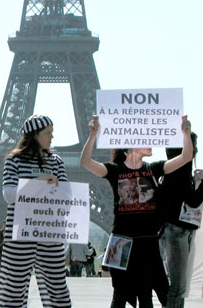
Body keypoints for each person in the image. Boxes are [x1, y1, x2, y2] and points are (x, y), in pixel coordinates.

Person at [80, 115, 193, 308]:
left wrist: (186, 134)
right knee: (119, 296)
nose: (150, 143)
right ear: (130, 147)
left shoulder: (153, 168)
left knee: (147, 297)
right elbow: (85, 162)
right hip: (119, 241)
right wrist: (93, 135)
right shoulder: (114, 170)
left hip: (147, 241)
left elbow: (186, 157)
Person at [0, 115, 71, 307]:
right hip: (21, 234)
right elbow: (8, 195)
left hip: (49, 231)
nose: (52, 137)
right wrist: (37, 183)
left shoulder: (56, 161)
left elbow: (67, 196)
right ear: (35, 135)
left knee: (57, 287)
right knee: (13, 287)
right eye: (48, 133)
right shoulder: (13, 161)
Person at [158, 132, 203, 308]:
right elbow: (192, 201)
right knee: (178, 286)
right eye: (193, 145)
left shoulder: (172, 170)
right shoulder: (180, 171)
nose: (196, 149)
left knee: (179, 286)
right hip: (177, 231)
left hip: (176, 230)